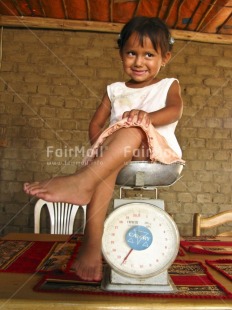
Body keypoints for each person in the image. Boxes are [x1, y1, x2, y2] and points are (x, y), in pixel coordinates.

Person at [24, 16, 184, 282]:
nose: (139, 61)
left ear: (165, 57)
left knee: (131, 130)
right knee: (108, 163)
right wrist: (102, 146)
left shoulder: (169, 85)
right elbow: (97, 124)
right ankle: (91, 243)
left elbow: (174, 110)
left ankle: (82, 182)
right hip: (120, 154)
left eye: (149, 54)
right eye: (131, 53)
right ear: (121, 53)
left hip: (154, 154)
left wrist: (146, 118)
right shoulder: (114, 90)